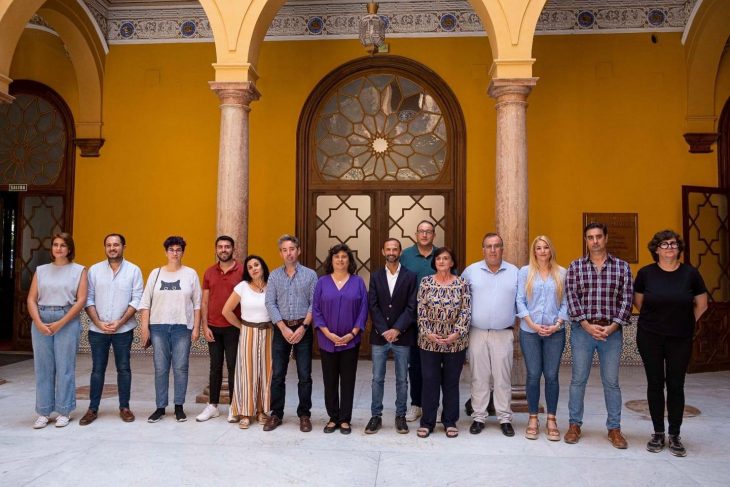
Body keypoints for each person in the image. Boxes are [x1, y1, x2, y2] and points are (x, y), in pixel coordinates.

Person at [634, 230, 707, 457]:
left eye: (673, 244)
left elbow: (702, 304)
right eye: (664, 244)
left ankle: (675, 434)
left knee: (676, 384)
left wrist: (685, 322)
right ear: (656, 249)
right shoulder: (646, 273)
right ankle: (658, 433)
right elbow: (639, 303)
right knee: (655, 383)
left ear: (679, 248)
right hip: (650, 336)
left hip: (680, 338)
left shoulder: (690, 274)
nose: (669, 248)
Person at [565, 222, 633, 448]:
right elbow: (572, 297)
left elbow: (626, 299)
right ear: (586, 240)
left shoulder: (622, 267)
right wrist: (586, 325)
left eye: (598, 236)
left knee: (611, 382)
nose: (595, 241)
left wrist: (613, 326)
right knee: (578, 380)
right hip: (582, 332)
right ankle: (574, 425)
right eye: (590, 237)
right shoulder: (575, 266)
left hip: (611, 333)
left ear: (606, 238)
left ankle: (614, 429)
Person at [81, 233, 144, 425]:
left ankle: (124, 407)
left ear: (124, 247)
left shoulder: (134, 270)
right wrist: (98, 322)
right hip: (97, 330)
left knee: (123, 369)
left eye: (116, 244)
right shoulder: (94, 270)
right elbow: (88, 298)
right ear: (105, 248)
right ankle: (92, 409)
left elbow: (137, 299)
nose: (112, 248)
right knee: (97, 369)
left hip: (123, 330)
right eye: (108, 245)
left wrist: (120, 322)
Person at [27, 232, 88, 429]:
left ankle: (64, 411)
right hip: (42, 317)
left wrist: (61, 322)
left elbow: (81, 300)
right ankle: (44, 412)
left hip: (67, 319)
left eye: (63, 245)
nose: (58, 248)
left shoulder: (79, 270)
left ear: (69, 249)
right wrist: (38, 322)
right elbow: (31, 299)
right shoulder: (41, 270)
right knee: (43, 367)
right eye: (55, 244)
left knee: (65, 367)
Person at [461, 233, 518, 437]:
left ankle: (504, 418)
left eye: (496, 246)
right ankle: (479, 417)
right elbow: (461, 299)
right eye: (488, 246)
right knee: (479, 377)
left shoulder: (515, 272)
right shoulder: (471, 271)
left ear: (502, 248)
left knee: (503, 378)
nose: (493, 250)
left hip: (503, 333)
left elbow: (521, 301)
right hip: (477, 332)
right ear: (483, 249)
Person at [140, 236, 201, 423]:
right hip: (158, 327)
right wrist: (144, 328)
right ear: (166, 252)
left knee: (181, 368)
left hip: (182, 327)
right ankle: (160, 407)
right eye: (171, 249)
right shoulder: (156, 273)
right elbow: (145, 303)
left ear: (183, 252)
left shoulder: (190, 274)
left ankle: (179, 407)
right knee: (161, 368)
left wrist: (196, 328)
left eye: (178, 249)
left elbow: (197, 304)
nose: (175, 253)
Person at [516, 235, 569, 440]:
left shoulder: (562, 272)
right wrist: (532, 324)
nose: (542, 251)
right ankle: (533, 418)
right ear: (534, 251)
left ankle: (552, 419)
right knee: (533, 374)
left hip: (555, 332)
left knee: (552, 375)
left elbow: (566, 302)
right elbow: (520, 300)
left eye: (545, 247)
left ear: (551, 250)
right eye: (538, 248)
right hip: (530, 332)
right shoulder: (525, 272)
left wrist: (557, 324)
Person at [313, 243, 368, 434]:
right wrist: (327, 333)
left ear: (349, 260)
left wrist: (352, 333)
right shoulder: (322, 282)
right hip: (327, 340)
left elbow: (363, 310)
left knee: (347, 380)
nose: (340, 260)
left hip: (350, 341)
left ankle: (344, 419)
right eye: (336, 257)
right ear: (331, 260)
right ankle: (332, 417)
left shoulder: (358, 282)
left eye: (344, 256)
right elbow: (316, 309)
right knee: (329, 380)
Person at [264, 235, 318, 432]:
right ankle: (276, 414)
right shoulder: (274, 276)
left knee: (304, 374)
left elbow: (314, 303)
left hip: (303, 328)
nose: (289, 253)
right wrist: (283, 327)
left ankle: (304, 415)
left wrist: (303, 327)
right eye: (285, 250)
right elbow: (270, 303)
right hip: (282, 329)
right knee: (278, 374)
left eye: (292, 249)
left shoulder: (310, 275)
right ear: (280, 253)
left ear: (298, 250)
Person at [416, 247, 471, 438]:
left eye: (445, 258)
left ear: (452, 262)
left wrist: (456, 333)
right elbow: (421, 310)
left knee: (451, 382)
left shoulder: (462, 283)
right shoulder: (426, 282)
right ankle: (427, 422)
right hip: (429, 342)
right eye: (438, 258)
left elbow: (466, 311)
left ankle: (449, 421)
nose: (441, 261)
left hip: (455, 343)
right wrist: (428, 333)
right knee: (430, 381)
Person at [366, 238, 418, 434]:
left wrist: (397, 329)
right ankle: (375, 416)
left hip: (402, 336)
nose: (391, 252)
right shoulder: (376, 276)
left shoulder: (410, 276)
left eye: (395, 249)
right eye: (388, 249)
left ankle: (401, 416)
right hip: (379, 336)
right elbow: (373, 305)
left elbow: (412, 306)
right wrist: (384, 330)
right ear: (383, 251)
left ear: (400, 252)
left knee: (402, 379)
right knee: (377, 378)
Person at [222, 255, 273, 429]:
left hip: (268, 333)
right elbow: (226, 311)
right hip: (248, 333)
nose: (254, 269)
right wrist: (242, 327)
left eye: (256, 265)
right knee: (247, 373)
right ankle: (245, 412)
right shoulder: (242, 287)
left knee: (265, 372)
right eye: (250, 267)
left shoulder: (272, 286)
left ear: (262, 266)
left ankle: (261, 410)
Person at [196, 236, 244, 422]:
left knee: (233, 367)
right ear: (216, 249)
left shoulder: (242, 271)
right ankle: (213, 406)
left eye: (227, 247)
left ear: (233, 249)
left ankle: (234, 406)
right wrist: (204, 326)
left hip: (233, 327)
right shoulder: (209, 272)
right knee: (215, 367)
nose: (224, 250)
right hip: (213, 328)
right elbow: (204, 301)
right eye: (220, 247)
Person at [399, 220, 438, 422]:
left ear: (434, 235)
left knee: (436, 365)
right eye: (421, 231)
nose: (424, 235)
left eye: (428, 231)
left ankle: (433, 405)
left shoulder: (441, 255)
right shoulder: (405, 256)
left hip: (438, 321)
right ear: (416, 234)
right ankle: (416, 404)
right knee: (415, 364)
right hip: (412, 319)